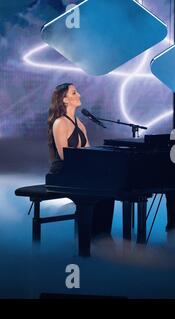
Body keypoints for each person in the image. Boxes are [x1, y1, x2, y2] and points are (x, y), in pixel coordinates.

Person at [47, 83, 114, 238]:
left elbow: (88, 152)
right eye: (74, 93)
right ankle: (88, 237)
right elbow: (65, 156)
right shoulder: (60, 123)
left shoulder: (80, 124)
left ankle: (101, 236)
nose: (79, 95)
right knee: (95, 187)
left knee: (109, 187)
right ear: (64, 99)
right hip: (62, 173)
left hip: (78, 172)